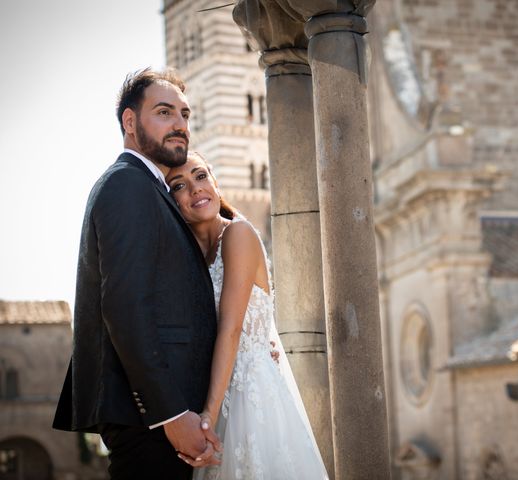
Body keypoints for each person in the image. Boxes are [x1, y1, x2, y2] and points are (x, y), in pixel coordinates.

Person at [53, 68, 222, 480]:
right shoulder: (127, 185)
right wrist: (169, 414)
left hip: (163, 417)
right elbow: (125, 307)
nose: (179, 124)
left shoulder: (152, 190)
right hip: (150, 420)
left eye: (184, 114)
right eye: (164, 112)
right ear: (130, 122)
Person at [166, 152, 329, 480]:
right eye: (179, 186)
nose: (195, 189)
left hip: (250, 398)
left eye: (200, 176)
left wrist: (207, 418)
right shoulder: (190, 258)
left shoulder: (238, 234)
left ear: (214, 181)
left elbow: (232, 327)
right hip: (212, 390)